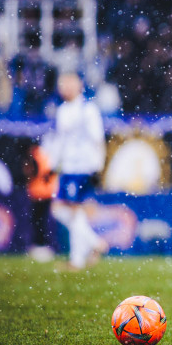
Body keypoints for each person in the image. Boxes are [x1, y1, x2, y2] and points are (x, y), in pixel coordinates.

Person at [47, 72, 107, 270]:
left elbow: (98, 138)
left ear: (79, 85)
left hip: (82, 167)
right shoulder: (63, 110)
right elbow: (60, 141)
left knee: (72, 210)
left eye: (69, 83)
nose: (65, 87)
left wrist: (98, 167)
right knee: (66, 211)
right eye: (62, 84)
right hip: (67, 167)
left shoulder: (87, 109)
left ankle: (78, 259)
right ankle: (93, 244)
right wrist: (54, 164)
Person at [24, 143, 58, 262]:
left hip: (38, 192)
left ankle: (39, 245)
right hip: (48, 191)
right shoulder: (47, 156)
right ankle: (42, 244)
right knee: (42, 220)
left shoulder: (35, 156)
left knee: (38, 220)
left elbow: (32, 172)